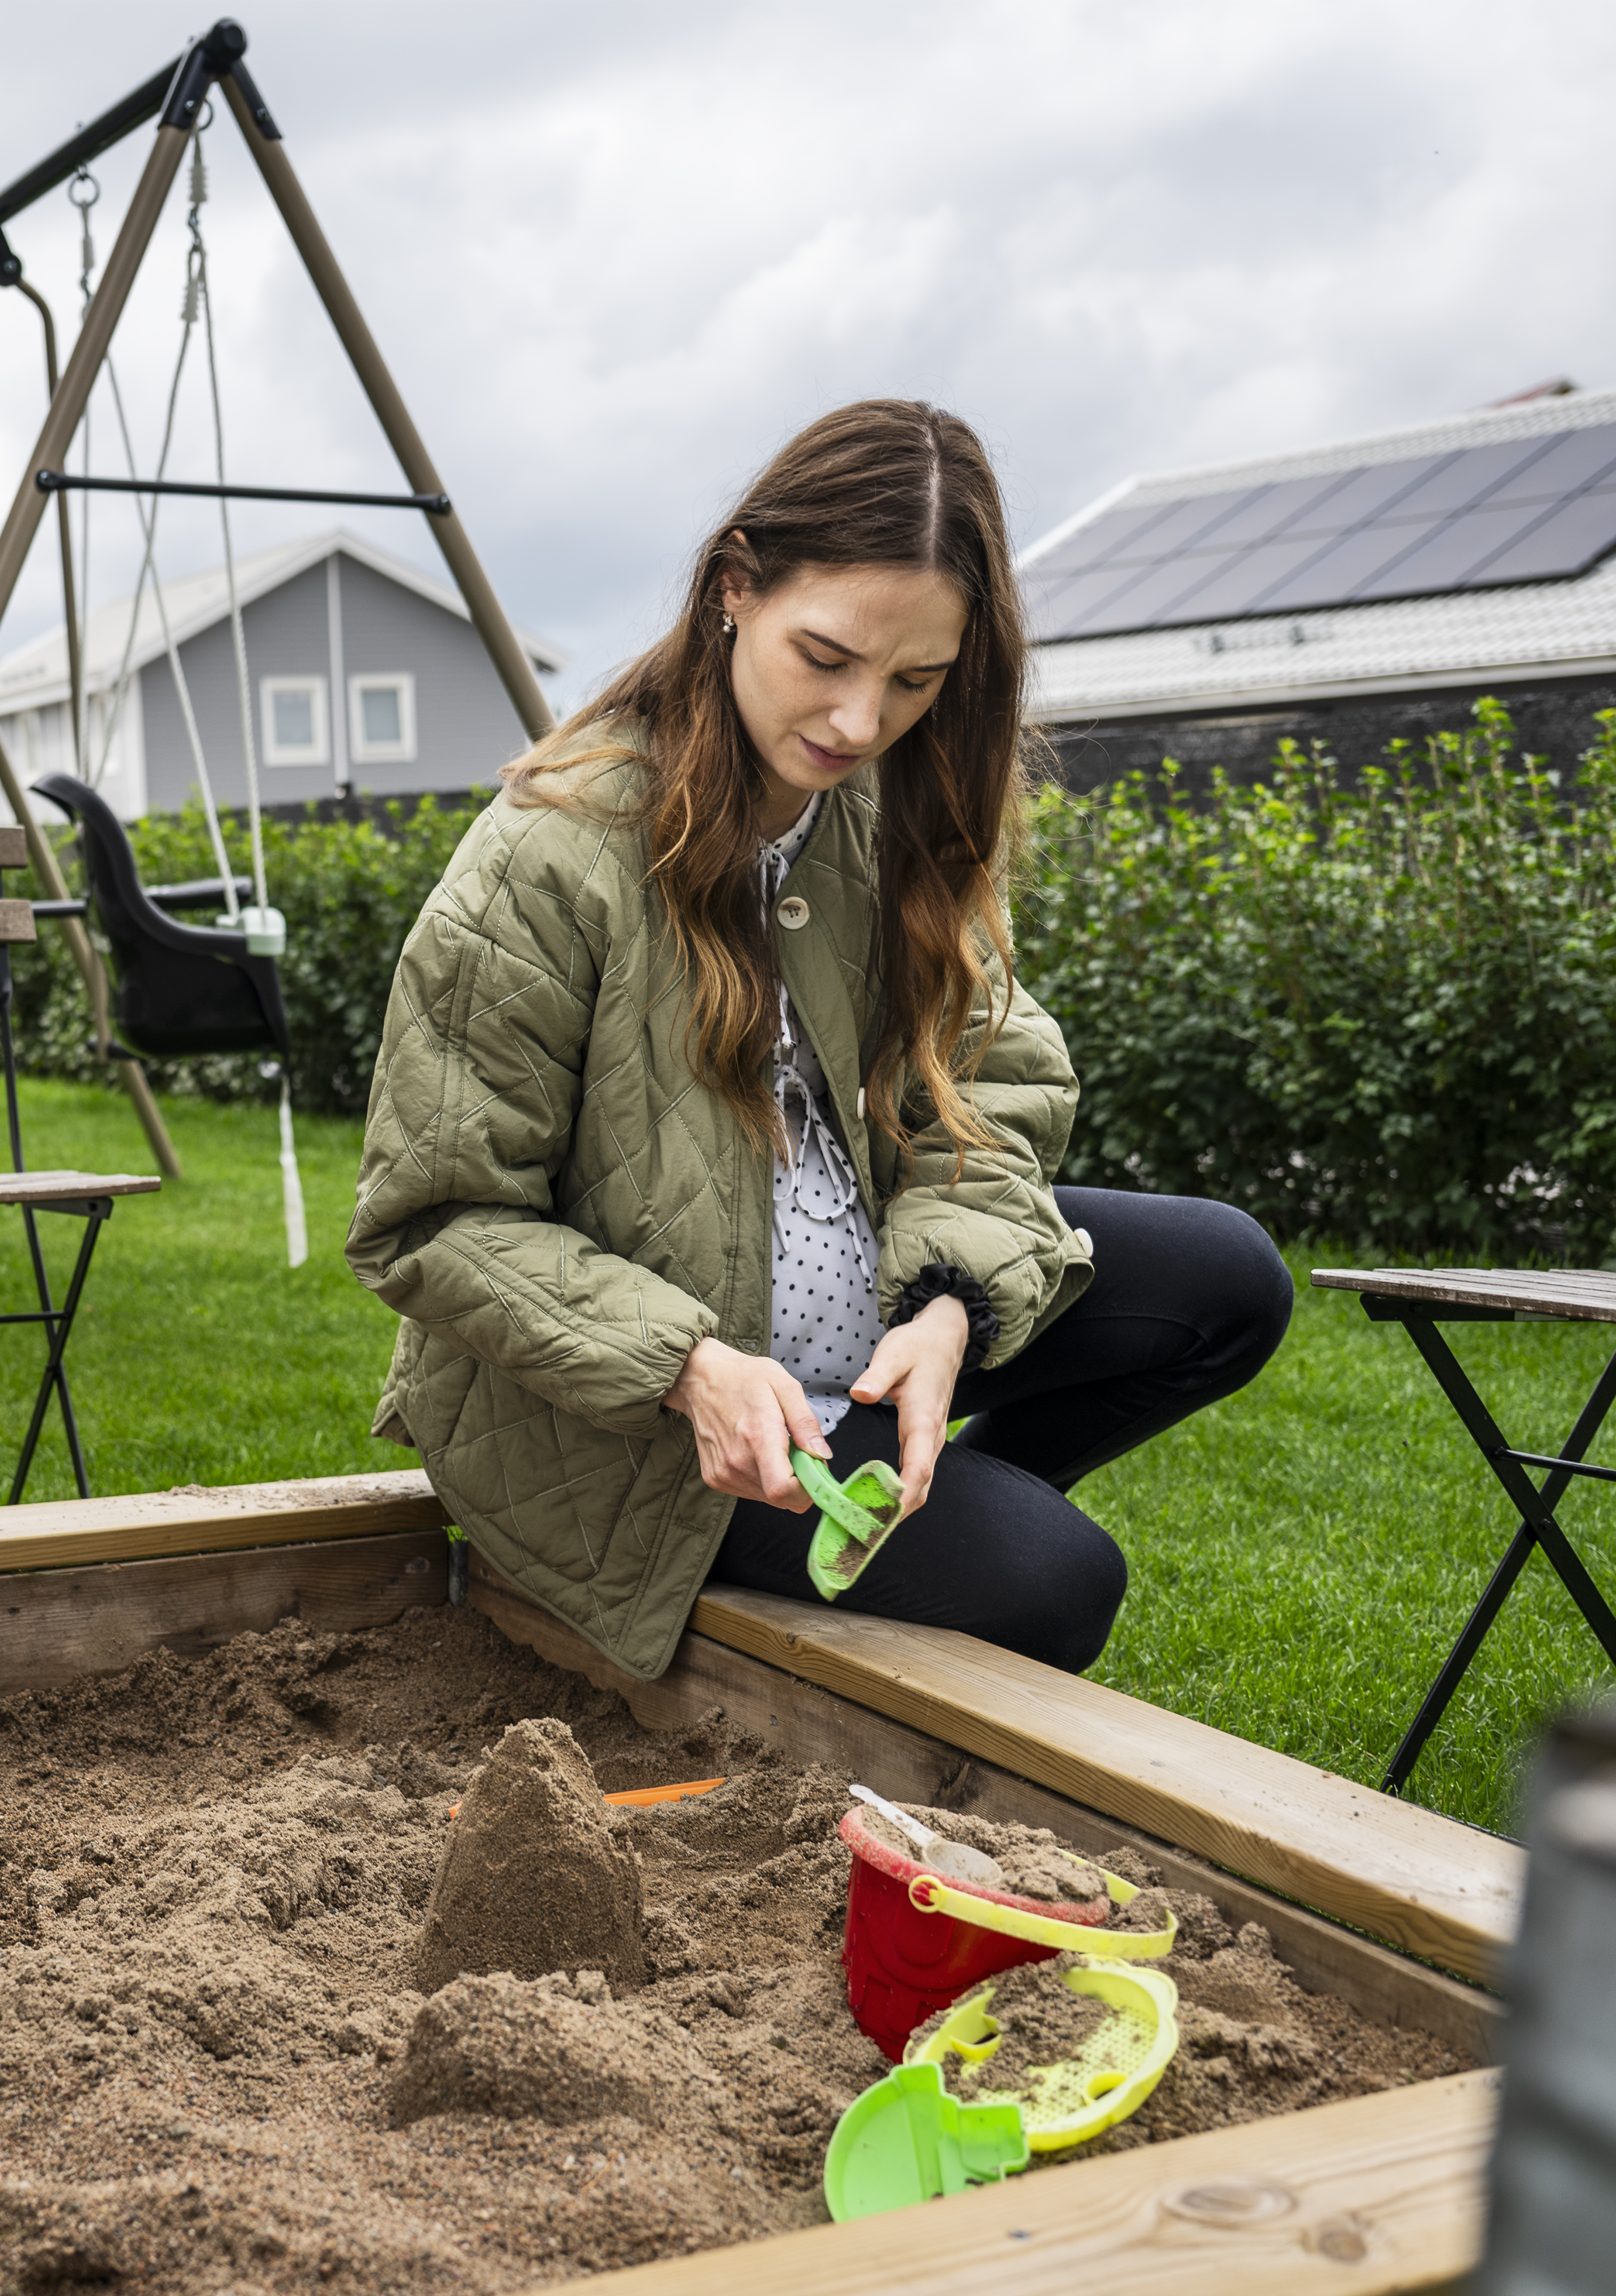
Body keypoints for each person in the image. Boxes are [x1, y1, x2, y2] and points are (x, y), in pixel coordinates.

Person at [346, 400, 1289, 1683]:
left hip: (855, 1321)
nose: (859, 722)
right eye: (827, 657)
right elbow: (432, 1220)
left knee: (1226, 1279)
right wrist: (685, 1368)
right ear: (734, 588)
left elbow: (994, 1085)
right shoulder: (551, 852)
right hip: (653, 1415)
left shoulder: (895, 813)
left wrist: (950, 1304)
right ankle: (912, 1528)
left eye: (915, 681)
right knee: (1053, 1579)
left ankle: (889, 1510)